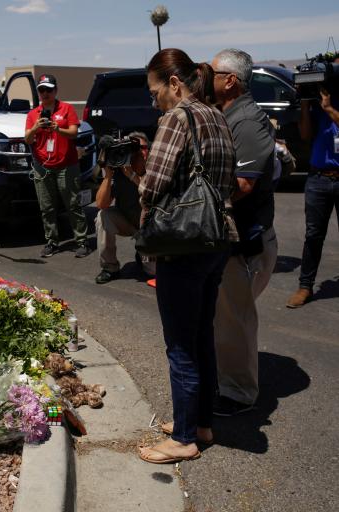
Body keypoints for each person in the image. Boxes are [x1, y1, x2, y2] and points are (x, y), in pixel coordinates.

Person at [135, 49, 236, 464]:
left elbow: (151, 188)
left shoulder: (177, 118)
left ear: (174, 84)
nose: (154, 100)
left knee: (180, 344)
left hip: (183, 243)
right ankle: (200, 424)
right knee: (201, 337)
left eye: (155, 91)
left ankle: (183, 438)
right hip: (215, 238)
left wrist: (134, 173)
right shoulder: (216, 115)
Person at [210, 48, 277, 416]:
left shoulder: (247, 120)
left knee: (235, 317)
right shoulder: (229, 114)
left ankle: (238, 392)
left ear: (230, 80)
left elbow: (244, 184)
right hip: (232, 240)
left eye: (214, 73)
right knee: (225, 315)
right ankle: (226, 378)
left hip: (247, 243)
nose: (208, 79)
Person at [286, 55, 339, 308]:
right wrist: (306, 104)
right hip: (319, 177)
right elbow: (306, 135)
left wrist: (330, 109)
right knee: (313, 235)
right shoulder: (318, 103)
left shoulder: (328, 105)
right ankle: (305, 286)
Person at [24, 74, 91, 258]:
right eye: (41, 90)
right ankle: (52, 241)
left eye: (48, 89)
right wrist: (36, 127)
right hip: (42, 166)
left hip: (66, 165)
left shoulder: (66, 108)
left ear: (55, 90)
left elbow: (74, 133)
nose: (45, 93)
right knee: (47, 207)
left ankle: (82, 241)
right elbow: (27, 139)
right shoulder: (33, 114)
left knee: (73, 204)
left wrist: (57, 128)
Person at [94, 132, 155, 283]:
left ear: (148, 149)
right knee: (103, 216)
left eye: (140, 147)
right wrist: (108, 175)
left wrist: (132, 176)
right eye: (132, 148)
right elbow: (102, 203)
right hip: (127, 221)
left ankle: (142, 256)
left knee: (152, 272)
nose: (137, 152)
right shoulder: (120, 168)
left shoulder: (155, 167)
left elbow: (153, 195)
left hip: (150, 227)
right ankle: (110, 267)